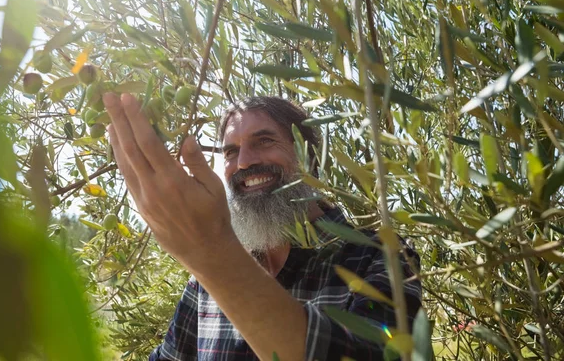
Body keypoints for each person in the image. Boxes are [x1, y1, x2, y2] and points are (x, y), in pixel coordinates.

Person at [102, 93, 421, 361]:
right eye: (231, 151)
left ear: (310, 158)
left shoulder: (380, 256)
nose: (243, 162)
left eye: (264, 141)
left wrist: (210, 252)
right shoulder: (203, 285)